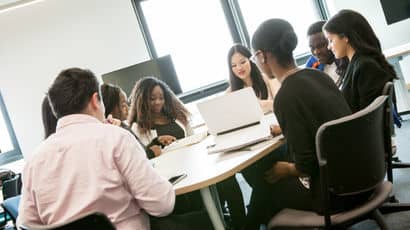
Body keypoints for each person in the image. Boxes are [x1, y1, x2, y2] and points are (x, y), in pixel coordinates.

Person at [248, 18, 371, 229]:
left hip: (337, 194)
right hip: (364, 176)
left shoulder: (285, 96)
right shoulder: (319, 76)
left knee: (265, 188)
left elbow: (305, 166)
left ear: (261, 56)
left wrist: (285, 170)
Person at [19, 68, 175, 230]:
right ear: (95, 100)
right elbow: (162, 205)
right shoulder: (116, 138)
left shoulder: (34, 161)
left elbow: (26, 224)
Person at [128, 76, 246, 229]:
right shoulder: (138, 128)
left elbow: (192, 138)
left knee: (230, 182)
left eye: (161, 98)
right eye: (152, 99)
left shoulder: (177, 117)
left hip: (195, 167)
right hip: (174, 180)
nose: (158, 102)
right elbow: (147, 158)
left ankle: (241, 225)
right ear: (142, 100)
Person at [323, 9, 396, 113]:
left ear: (345, 37)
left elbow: (368, 117)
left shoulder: (365, 66)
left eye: (330, 40)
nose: (329, 47)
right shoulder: (356, 63)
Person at [100, 83, 174, 158]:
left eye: (126, 103)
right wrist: (150, 153)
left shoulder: (123, 125)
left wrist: (156, 141)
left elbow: (139, 149)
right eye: (122, 104)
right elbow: (129, 160)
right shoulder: (113, 133)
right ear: (109, 108)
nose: (127, 107)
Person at [226, 44, 280, 113]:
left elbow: (280, 105)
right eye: (234, 65)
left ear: (251, 60)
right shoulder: (230, 93)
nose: (239, 68)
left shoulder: (267, 79)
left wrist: (267, 104)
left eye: (243, 62)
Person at [305, 20, 348, 86]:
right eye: (312, 47)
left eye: (321, 45)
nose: (316, 52)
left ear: (331, 41)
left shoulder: (348, 62)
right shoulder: (312, 68)